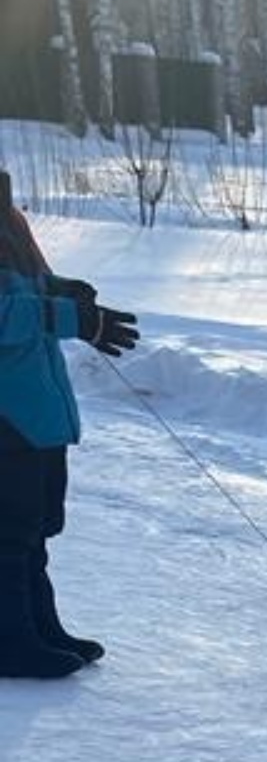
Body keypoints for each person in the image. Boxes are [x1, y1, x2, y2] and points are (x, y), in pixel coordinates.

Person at [0, 167, 139, 678]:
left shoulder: (7, 218)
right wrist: (65, 316)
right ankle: (9, 642)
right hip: (6, 413)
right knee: (9, 532)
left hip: (34, 407)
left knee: (35, 527)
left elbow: (26, 290)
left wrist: (69, 295)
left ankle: (39, 627)